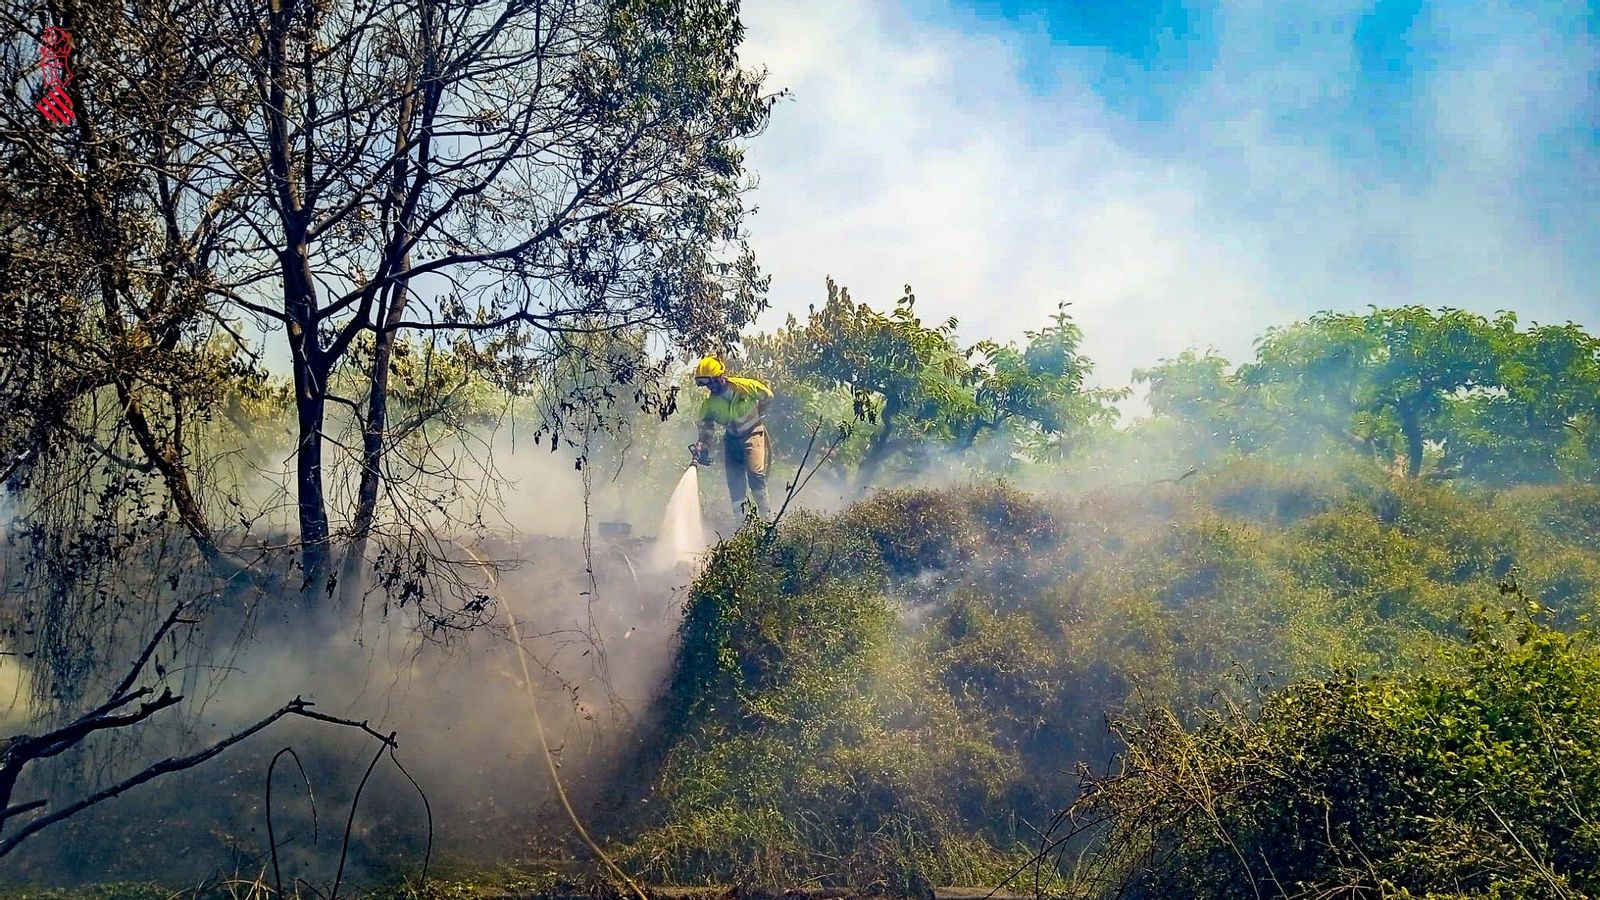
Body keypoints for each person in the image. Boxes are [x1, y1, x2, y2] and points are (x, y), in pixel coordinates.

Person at [691, 356, 773, 519]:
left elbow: (767, 395)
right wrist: (703, 447)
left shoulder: (744, 387)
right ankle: (740, 523)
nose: (711, 388)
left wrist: (759, 412)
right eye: (707, 385)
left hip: (753, 433)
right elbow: (706, 428)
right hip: (732, 440)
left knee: (755, 474)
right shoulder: (710, 404)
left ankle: (767, 519)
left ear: (721, 377)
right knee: (735, 483)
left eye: (712, 382)